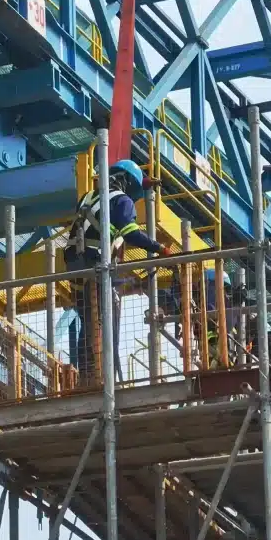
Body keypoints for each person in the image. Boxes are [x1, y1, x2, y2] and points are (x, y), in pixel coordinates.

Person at [64, 158, 171, 383]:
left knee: (89, 320)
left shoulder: (87, 197)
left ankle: (87, 373)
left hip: (74, 264)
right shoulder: (122, 201)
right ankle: (102, 377)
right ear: (129, 183)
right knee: (106, 319)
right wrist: (159, 248)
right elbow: (131, 233)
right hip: (96, 264)